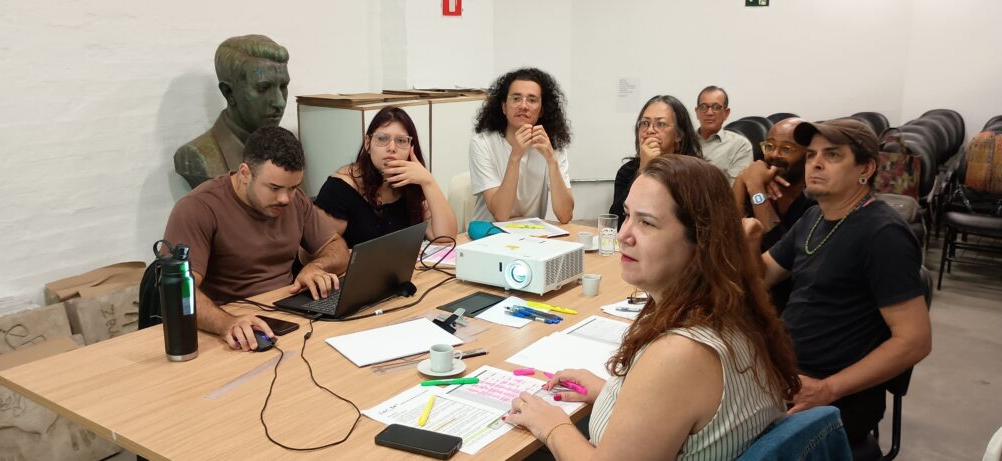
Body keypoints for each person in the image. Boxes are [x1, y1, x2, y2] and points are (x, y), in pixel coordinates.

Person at [505, 156, 801, 460]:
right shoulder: (731, 309)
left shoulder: (679, 354)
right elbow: (684, 405)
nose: (623, 235)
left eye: (646, 223)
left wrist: (552, 425)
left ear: (700, 241)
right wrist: (614, 393)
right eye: (627, 215)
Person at [750, 118, 932, 449]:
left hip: (833, 398)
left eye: (832, 155)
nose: (815, 163)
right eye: (811, 155)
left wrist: (829, 388)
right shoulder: (815, 216)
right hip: (785, 375)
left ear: (865, 168)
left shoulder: (883, 235)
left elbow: (915, 341)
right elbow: (761, 276)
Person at [163, 126, 348, 351]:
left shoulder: (295, 201)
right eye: (274, 187)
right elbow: (179, 292)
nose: (285, 198)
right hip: (228, 325)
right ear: (244, 173)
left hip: (287, 317)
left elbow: (337, 249)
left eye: (293, 188)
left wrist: (316, 266)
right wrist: (226, 323)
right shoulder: (198, 208)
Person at [313, 106, 456, 247]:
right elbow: (318, 251)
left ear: (411, 147)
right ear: (368, 144)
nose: (392, 148)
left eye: (401, 141)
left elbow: (446, 237)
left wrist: (429, 181)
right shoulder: (340, 188)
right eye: (382, 139)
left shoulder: (411, 182)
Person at [175, 35, 290, 189]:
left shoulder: (287, 147)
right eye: (263, 88)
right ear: (229, 93)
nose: (280, 102)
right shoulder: (196, 157)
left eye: (283, 86)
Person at [469, 68, 574, 223]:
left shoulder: (551, 145)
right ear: (504, 107)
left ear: (541, 110)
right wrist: (516, 155)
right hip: (490, 235)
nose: (523, 106)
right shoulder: (483, 143)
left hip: (532, 236)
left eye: (532, 100)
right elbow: (501, 215)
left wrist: (551, 160)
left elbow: (565, 215)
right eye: (516, 98)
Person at [732, 117, 815, 312]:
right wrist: (741, 182)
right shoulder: (753, 182)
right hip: (743, 296)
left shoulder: (813, 202)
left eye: (786, 149)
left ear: (808, 156)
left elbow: (779, 252)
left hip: (785, 305)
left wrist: (756, 189)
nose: (774, 155)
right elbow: (725, 237)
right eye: (769, 146)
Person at [608, 95, 702, 229]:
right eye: (645, 123)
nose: (650, 130)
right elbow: (616, 223)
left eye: (660, 124)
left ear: (678, 135)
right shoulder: (628, 171)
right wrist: (643, 170)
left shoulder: (695, 172)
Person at [696, 85, 753, 184]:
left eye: (716, 107)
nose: (709, 113)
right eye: (703, 107)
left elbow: (736, 190)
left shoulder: (740, 145)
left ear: (726, 113)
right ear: (697, 112)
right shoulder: (683, 140)